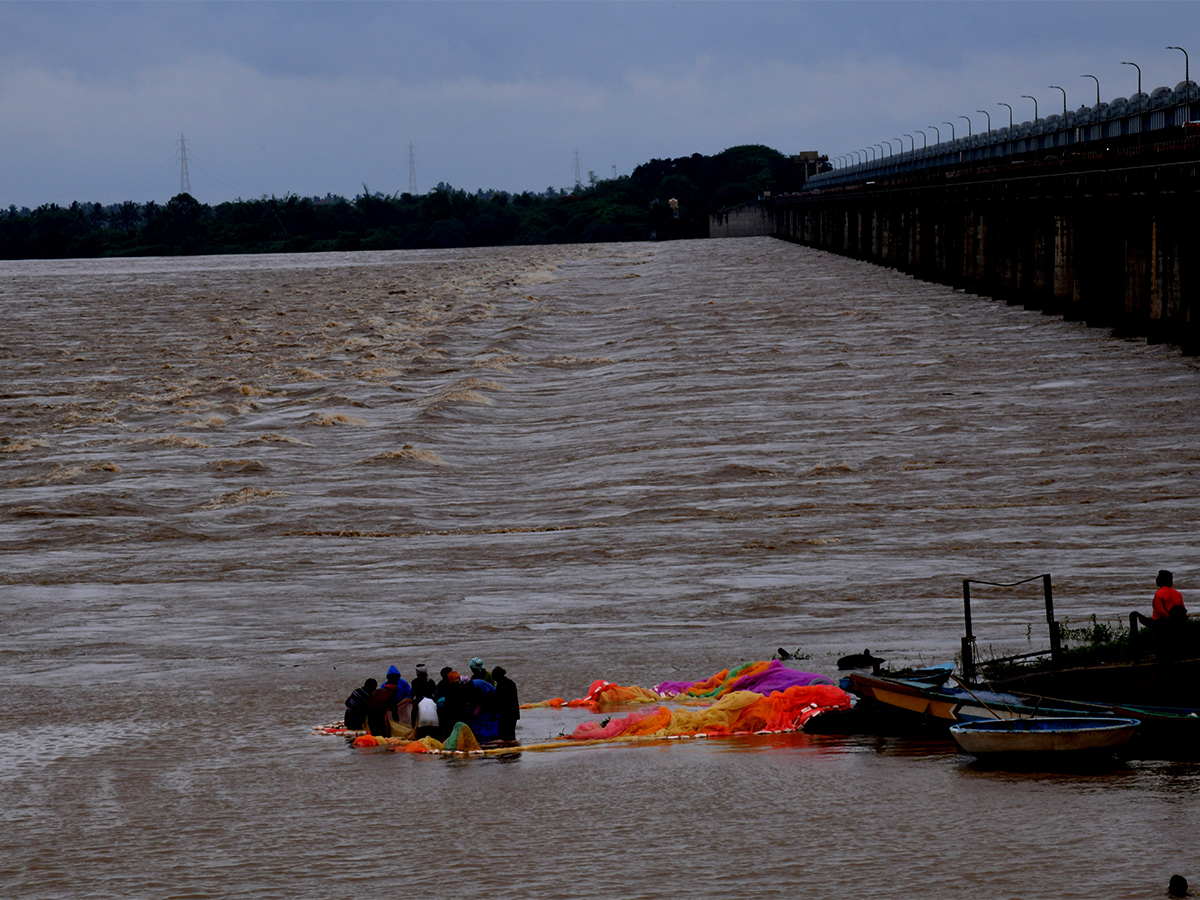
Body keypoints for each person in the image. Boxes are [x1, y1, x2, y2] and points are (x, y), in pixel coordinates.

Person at [492, 666, 520, 743]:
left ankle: (506, 753)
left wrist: (494, 714)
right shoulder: (511, 683)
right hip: (513, 714)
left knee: (503, 737)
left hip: (506, 715)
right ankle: (513, 752)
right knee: (511, 735)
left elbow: (499, 701)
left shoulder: (501, 685)